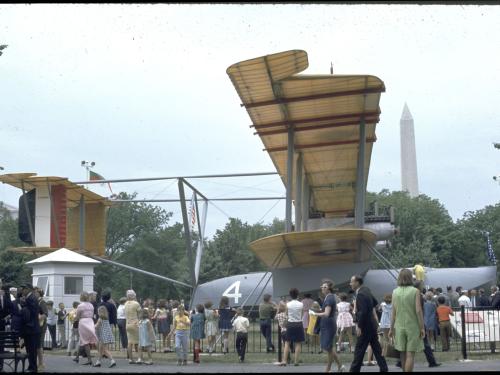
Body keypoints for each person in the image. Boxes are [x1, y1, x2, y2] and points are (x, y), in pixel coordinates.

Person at [349, 275, 388, 373]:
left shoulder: (361, 294)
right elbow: (375, 303)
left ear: (357, 282)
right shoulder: (366, 290)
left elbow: (363, 312)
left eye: (351, 281)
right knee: (377, 349)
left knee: (359, 349)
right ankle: (384, 368)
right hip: (372, 325)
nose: (350, 284)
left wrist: (359, 325)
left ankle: (354, 370)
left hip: (365, 326)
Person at [390, 269, 424, 372]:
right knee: (410, 355)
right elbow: (418, 310)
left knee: (402, 354)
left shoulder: (395, 292)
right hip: (412, 326)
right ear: (410, 278)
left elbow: (393, 313)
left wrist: (391, 329)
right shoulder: (415, 291)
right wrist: (422, 327)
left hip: (399, 326)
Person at [312, 279, 345, 373]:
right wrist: (318, 311)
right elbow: (325, 312)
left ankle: (328, 369)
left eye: (325, 287)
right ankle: (339, 366)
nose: (323, 288)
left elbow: (326, 313)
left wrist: (315, 314)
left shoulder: (330, 298)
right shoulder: (328, 297)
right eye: (322, 286)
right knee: (328, 347)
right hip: (327, 324)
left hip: (328, 325)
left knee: (328, 347)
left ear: (329, 289)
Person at [280, 287, 304, 367]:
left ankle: (284, 361)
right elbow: (302, 314)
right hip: (298, 324)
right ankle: (296, 361)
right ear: (297, 295)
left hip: (290, 324)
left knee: (287, 343)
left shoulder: (288, 304)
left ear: (290, 295)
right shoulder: (301, 304)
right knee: (298, 343)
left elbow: (286, 314)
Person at [75, 291, 98, 366]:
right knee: (83, 340)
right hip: (90, 321)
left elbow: (77, 316)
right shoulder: (91, 305)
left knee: (85, 341)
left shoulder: (80, 306)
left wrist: (73, 318)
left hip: (83, 322)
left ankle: (89, 359)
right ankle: (77, 357)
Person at [20, 284, 40, 373]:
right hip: (30, 328)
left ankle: (33, 367)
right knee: (29, 349)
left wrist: (23, 304)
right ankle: (31, 366)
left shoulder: (31, 298)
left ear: (28, 289)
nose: (22, 291)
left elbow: (32, 313)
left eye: (23, 289)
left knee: (32, 350)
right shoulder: (30, 298)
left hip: (32, 328)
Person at [124, 289, 141, 364]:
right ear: (134, 296)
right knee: (138, 342)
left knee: (130, 342)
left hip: (127, 324)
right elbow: (140, 313)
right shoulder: (136, 303)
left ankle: (131, 359)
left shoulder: (126, 303)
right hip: (135, 324)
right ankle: (139, 358)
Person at [36, 287, 48, 371]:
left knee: (39, 345)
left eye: (35, 292)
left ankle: (41, 363)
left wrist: (38, 318)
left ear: (39, 293)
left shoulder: (42, 302)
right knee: (37, 345)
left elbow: (45, 314)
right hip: (37, 326)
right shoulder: (37, 301)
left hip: (41, 326)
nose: (34, 294)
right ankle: (39, 363)